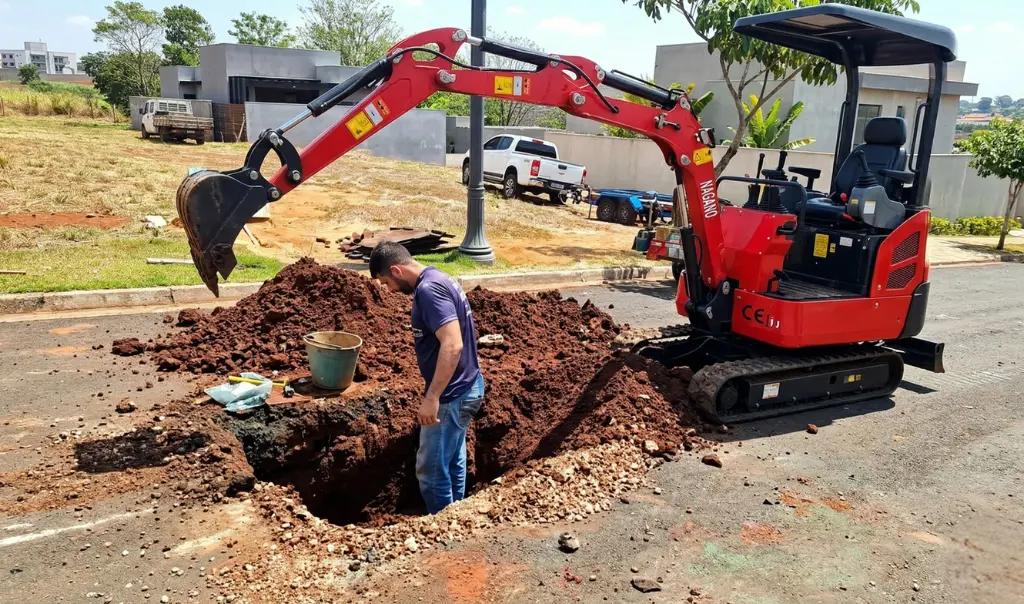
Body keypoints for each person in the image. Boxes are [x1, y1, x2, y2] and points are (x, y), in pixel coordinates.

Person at [368, 242, 484, 514]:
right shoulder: (441, 278)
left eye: (386, 282)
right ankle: (458, 518)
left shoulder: (428, 290)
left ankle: (443, 534)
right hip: (468, 386)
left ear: (396, 270)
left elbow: (453, 344)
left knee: (431, 472)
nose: (389, 290)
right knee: (453, 459)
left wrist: (432, 397)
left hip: (451, 396)